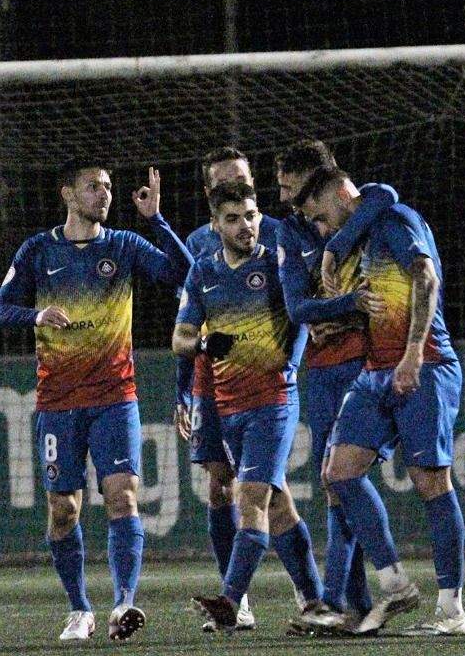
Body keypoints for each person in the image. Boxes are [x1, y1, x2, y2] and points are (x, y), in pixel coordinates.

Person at [0, 161, 193, 641]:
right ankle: (80, 609)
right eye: (93, 186)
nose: (104, 194)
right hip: (58, 400)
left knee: (123, 496)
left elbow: (186, 273)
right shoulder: (38, 250)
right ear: (67, 194)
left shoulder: (124, 245)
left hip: (114, 396)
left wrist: (157, 221)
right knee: (64, 509)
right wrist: (36, 315)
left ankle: (124, 603)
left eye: (108, 187)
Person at [293, 166, 465, 636]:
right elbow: (384, 302)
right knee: (338, 473)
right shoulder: (365, 235)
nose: (322, 230)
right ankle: (395, 584)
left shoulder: (395, 220)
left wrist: (413, 353)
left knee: (432, 481)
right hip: (375, 373)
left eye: (321, 217)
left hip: (425, 364)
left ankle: (451, 610)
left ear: (340, 194)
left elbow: (426, 278)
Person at [173, 182, 322, 634]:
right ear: (215, 224)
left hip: (272, 401)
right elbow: (180, 338)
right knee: (278, 505)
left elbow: (303, 310)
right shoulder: (203, 272)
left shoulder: (277, 264)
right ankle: (315, 602)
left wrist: (292, 360)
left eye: (252, 216)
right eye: (234, 218)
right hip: (228, 404)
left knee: (250, 498)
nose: (246, 226)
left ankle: (230, 601)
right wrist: (202, 344)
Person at [274, 139, 399, 631]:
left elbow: (386, 194)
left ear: (314, 179)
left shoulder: (359, 208)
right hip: (322, 370)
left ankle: (335, 600)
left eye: (290, 185)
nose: (284, 196)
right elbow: (297, 309)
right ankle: (358, 607)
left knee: (340, 482)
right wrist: (347, 304)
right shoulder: (289, 231)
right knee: (336, 487)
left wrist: (337, 247)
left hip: (366, 364)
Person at [172, 147, 279, 631]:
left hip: (268, 384)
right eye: (222, 185)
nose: (243, 221)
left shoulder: (277, 236)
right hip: (211, 381)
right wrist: (183, 393)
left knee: (266, 495)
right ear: (210, 199)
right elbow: (185, 328)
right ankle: (239, 599)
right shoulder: (199, 248)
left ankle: (309, 595)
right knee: (220, 488)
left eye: (242, 181)